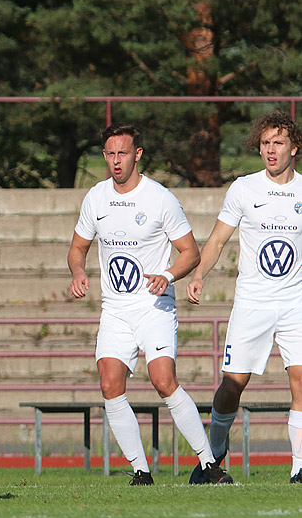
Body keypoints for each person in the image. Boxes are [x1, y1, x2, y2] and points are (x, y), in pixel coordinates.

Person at [67, 123, 231, 486]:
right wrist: (78, 272)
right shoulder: (95, 197)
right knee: (110, 384)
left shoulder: (159, 198)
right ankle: (141, 471)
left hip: (153, 305)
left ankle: (209, 465)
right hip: (115, 308)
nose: (115, 161)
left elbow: (190, 252)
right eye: (109, 154)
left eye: (122, 153)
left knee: (162, 380)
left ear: (137, 154)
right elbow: (77, 248)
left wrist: (168, 275)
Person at [187, 110, 302, 483]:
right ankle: (213, 457)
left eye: (278, 143)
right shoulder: (243, 188)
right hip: (253, 302)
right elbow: (218, 239)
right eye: (265, 143)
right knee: (233, 385)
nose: (270, 150)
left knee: (301, 380)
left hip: (294, 303)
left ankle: (299, 466)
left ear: (294, 148)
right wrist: (200, 274)